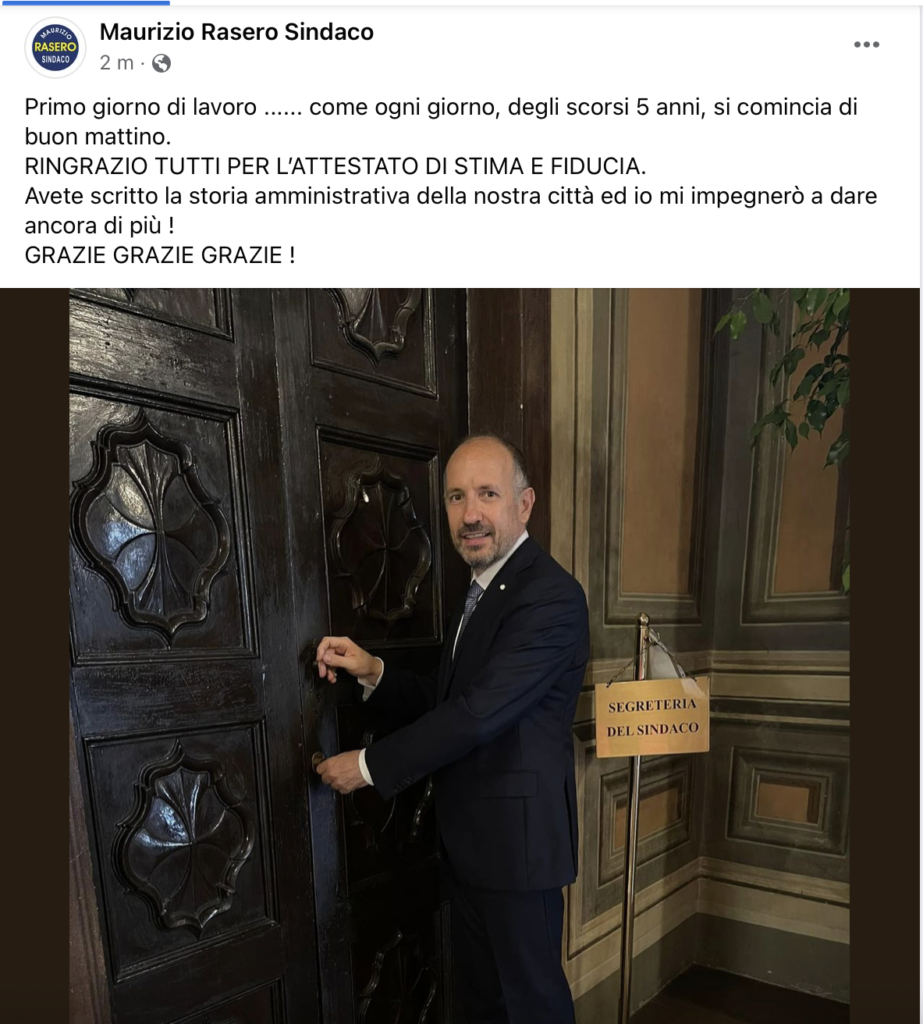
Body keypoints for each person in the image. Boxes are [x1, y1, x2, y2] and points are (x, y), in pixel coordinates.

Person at [315, 434, 590, 1024]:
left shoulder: (551, 597)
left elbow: (476, 714)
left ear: (524, 504)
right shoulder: (481, 590)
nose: (470, 515)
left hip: (517, 853)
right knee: (483, 1005)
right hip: (470, 844)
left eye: (488, 494)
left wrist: (367, 767)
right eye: (456, 497)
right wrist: (374, 670)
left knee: (532, 1007)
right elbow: (447, 698)